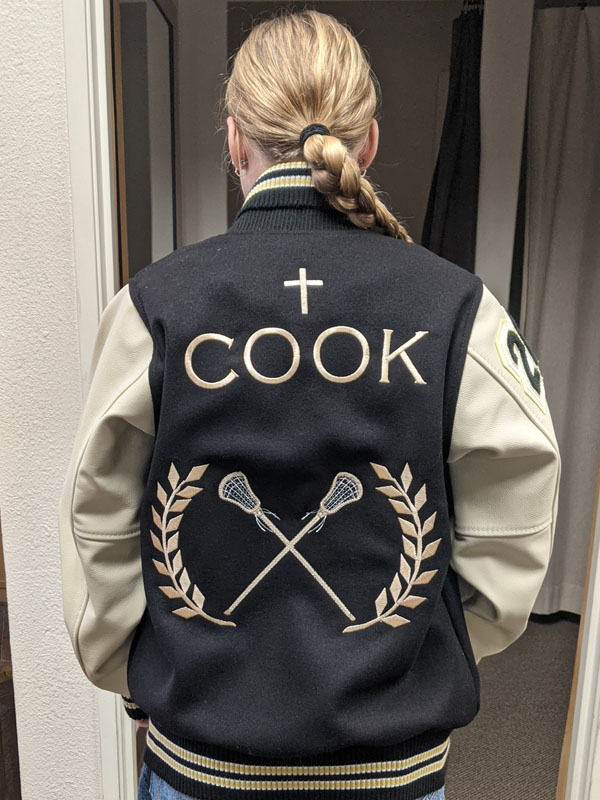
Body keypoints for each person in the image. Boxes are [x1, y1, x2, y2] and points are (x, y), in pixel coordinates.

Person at [58, 9, 560, 800]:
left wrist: (139, 669)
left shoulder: (153, 307)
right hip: (391, 767)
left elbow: (99, 520)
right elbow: (513, 529)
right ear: (369, 142)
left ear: (234, 140)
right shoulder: (459, 308)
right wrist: (416, 645)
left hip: (202, 765)